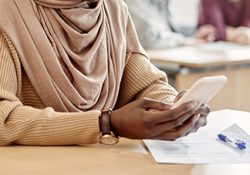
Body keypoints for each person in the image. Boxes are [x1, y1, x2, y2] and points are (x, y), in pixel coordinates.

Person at [0, 0, 210, 146]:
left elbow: (146, 83)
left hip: (105, 162)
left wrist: (172, 108)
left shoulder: (113, 9)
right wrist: (106, 123)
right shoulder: (6, 12)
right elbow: (3, 116)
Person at [125, 0, 191, 49]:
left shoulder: (162, 3)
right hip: (153, 59)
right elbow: (148, 39)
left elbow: (170, 30)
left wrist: (190, 38)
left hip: (169, 53)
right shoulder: (133, 3)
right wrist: (182, 41)